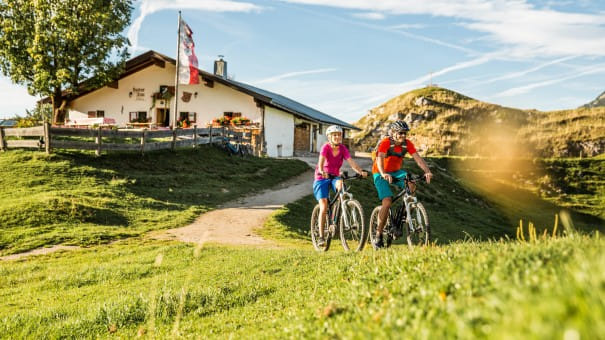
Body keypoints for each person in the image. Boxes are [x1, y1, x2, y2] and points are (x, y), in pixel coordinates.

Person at [372, 120, 433, 249]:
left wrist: (427, 171)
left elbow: (418, 159)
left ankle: (406, 210)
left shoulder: (407, 144)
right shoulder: (385, 143)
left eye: (405, 133)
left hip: (396, 172)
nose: (403, 136)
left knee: (411, 184)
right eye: (400, 133)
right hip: (380, 172)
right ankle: (378, 235)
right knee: (387, 202)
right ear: (393, 133)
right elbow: (379, 159)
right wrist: (383, 174)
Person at [313, 125, 367, 247]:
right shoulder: (325, 147)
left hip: (334, 177)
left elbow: (351, 162)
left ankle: (337, 213)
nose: (337, 137)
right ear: (329, 137)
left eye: (339, 135)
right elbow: (320, 163)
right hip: (321, 178)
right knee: (323, 205)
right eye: (334, 135)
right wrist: (322, 171)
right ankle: (321, 237)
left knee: (341, 184)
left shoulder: (343, 148)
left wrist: (360, 171)